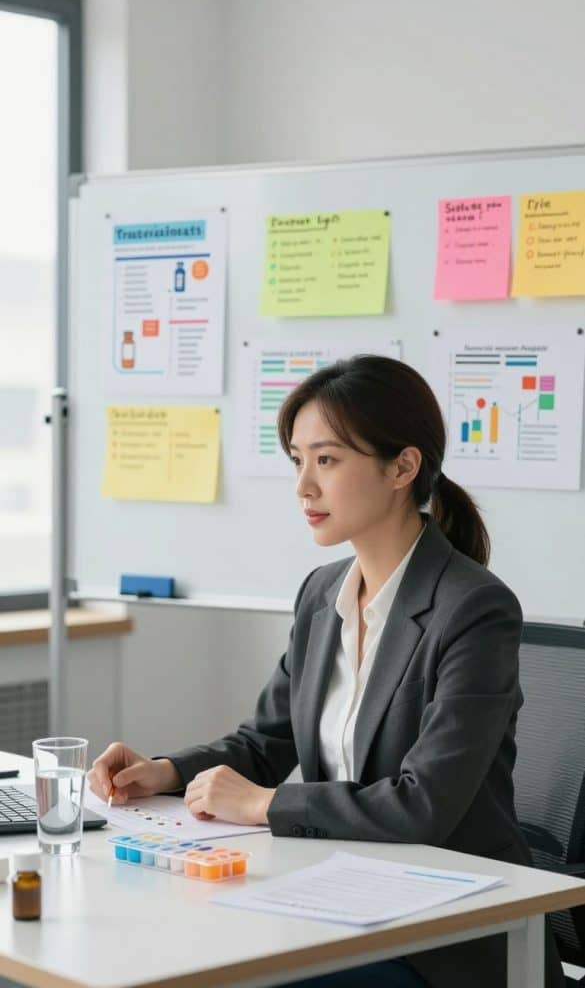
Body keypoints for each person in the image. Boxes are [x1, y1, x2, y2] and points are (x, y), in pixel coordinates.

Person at [89, 355, 563, 988]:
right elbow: (264, 741)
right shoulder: (322, 594)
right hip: (336, 901)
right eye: (297, 460)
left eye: (328, 460)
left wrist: (263, 804)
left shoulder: (475, 608)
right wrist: (169, 772)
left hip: (449, 935)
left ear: (403, 467)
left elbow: (424, 805)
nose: (303, 487)